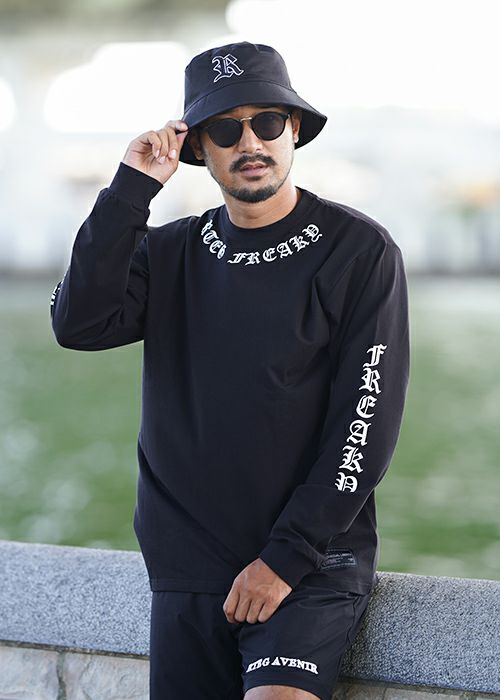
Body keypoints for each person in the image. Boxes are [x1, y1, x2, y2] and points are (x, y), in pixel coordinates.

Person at [50, 41, 410, 700]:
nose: (250, 142)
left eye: (267, 122)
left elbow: (365, 422)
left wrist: (287, 557)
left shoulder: (358, 251)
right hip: (187, 569)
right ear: (198, 147)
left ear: (292, 129)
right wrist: (131, 190)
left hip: (310, 563)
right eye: (224, 129)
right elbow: (77, 323)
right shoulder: (170, 252)